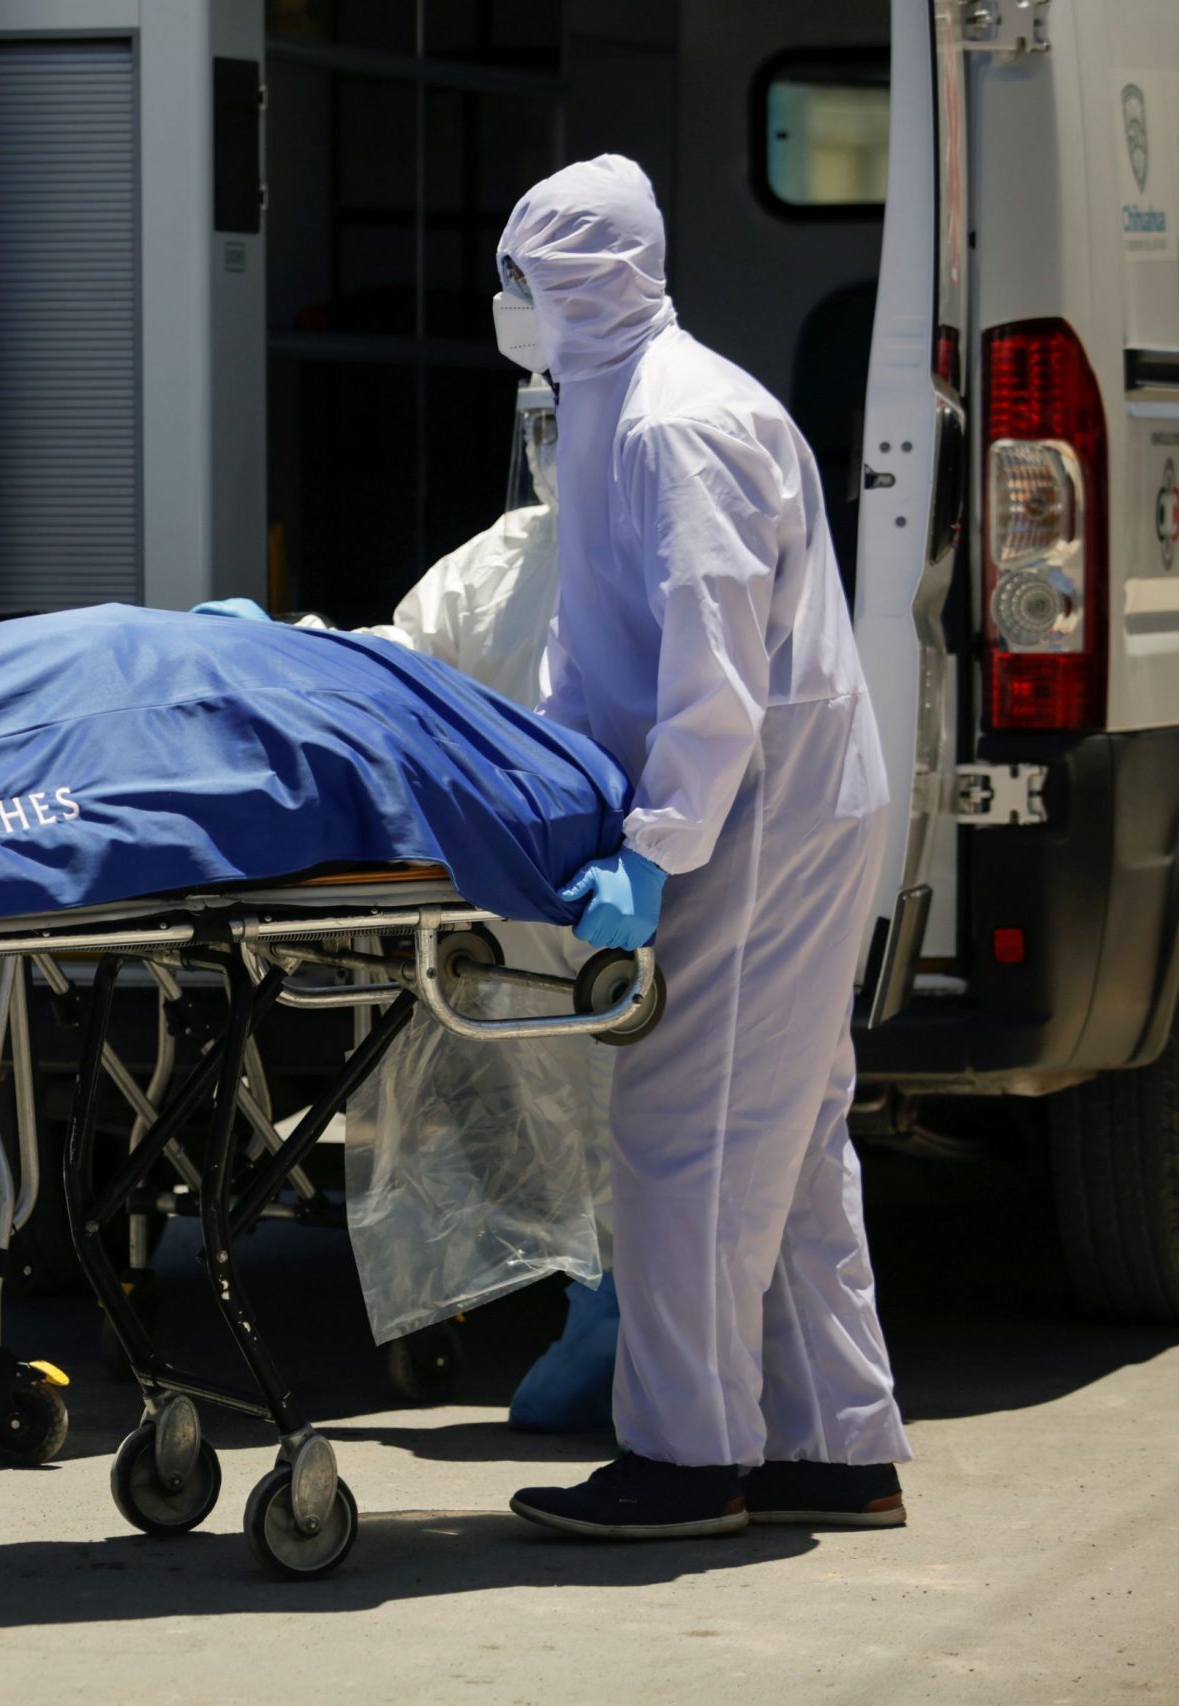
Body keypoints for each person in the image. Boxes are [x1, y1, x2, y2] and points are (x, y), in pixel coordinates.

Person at [493, 155, 909, 1537]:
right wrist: (558, 773)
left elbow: (713, 665)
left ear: (584, 280)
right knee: (786, 1137)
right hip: (750, 800)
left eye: (523, 279)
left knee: (691, 1131)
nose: (510, 305)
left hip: (759, 808)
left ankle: (686, 1459)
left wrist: (656, 844)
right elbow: (594, 634)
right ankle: (834, 1445)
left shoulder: (679, 421)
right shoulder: (604, 404)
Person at [198, 379, 620, 1431]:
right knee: (577, 1130)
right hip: (537, 907)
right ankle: (608, 1318)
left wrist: (662, 849)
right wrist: (285, 649)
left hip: (654, 894)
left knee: (669, 1134)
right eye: (539, 423)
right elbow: (398, 667)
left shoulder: (670, 548)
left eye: (568, 419)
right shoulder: (503, 562)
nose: (551, 447)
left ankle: (668, 1360)